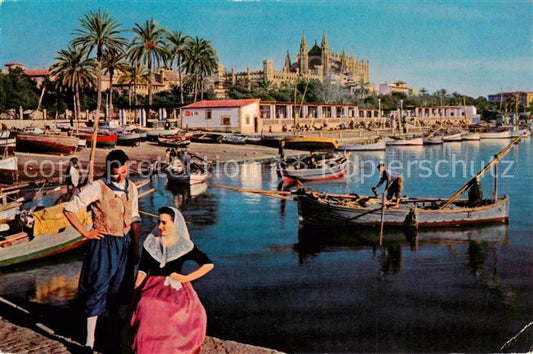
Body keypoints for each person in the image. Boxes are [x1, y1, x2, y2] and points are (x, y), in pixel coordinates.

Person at [63, 150, 141, 350]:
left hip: (124, 243)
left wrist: (135, 245)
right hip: (104, 244)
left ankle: (112, 334)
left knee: (119, 290)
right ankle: (90, 342)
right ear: (108, 170)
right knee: (97, 288)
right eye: (116, 173)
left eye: (124, 171)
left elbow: (134, 217)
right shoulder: (97, 187)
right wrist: (86, 233)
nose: (121, 176)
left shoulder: (132, 187)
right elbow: (69, 209)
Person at [130, 206, 214, 354]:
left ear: (174, 224)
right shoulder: (151, 242)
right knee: (147, 304)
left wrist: (186, 278)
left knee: (169, 308)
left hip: (175, 287)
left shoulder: (184, 244)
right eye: (158, 222)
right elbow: (143, 269)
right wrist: (135, 287)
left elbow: (208, 264)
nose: (160, 226)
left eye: (164, 223)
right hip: (152, 285)